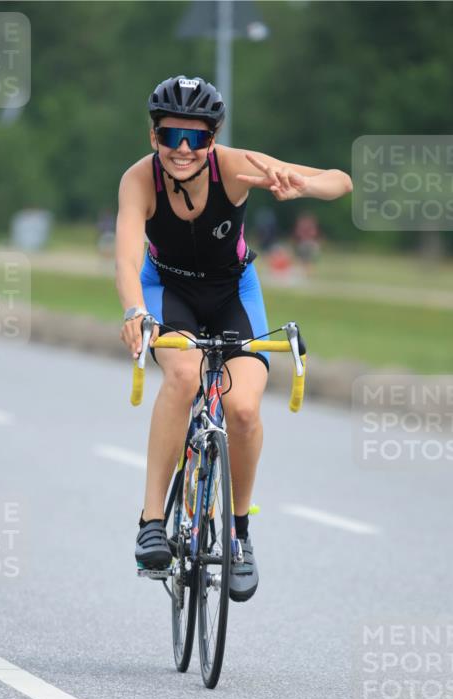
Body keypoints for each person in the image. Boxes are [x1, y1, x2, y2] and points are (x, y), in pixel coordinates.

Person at [115, 75, 352, 601]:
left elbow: (340, 181)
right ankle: (152, 520)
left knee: (243, 409)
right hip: (166, 289)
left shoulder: (237, 168)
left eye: (195, 137)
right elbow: (128, 257)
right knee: (181, 377)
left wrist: (300, 185)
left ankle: (240, 535)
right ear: (153, 136)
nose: (182, 148)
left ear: (213, 139)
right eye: (171, 135)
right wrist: (134, 307)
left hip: (232, 292)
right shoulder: (138, 181)